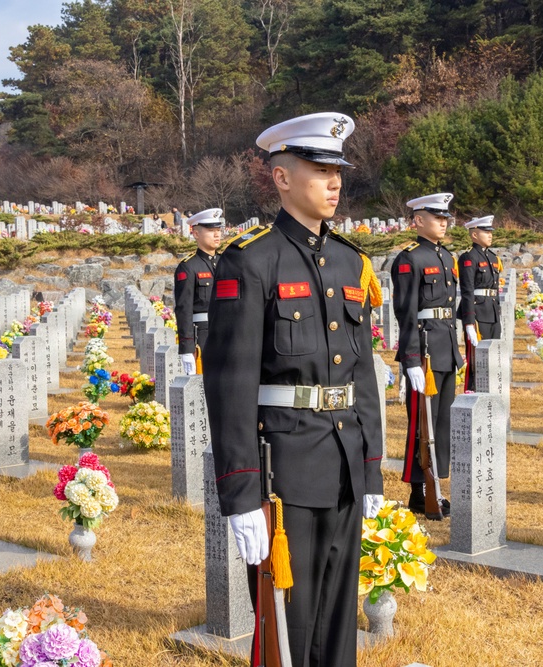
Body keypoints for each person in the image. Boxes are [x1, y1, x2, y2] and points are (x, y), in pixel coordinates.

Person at [202, 112, 384, 667]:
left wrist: (372, 467)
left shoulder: (352, 260)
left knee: (337, 615)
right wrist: (239, 495)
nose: (334, 182)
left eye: (338, 171)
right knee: (290, 622)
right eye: (318, 169)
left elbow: (362, 373)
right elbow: (229, 384)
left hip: (344, 459)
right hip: (285, 464)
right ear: (281, 178)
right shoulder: (250, 260)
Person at [390, 192, 462, 517]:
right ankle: (419, 491)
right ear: (418, 220)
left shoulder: (447, 257)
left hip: (446, 348)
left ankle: (438, 486)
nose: (444, 222)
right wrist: (410, 359)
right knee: (422, 426)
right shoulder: (409, 259)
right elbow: (405, 314)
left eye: (446, 217)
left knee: (442, 423)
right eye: (437, 217)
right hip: (425, 354)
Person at [173, 208, 224, 374]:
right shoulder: (188, 267)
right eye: (211, 231)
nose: (217, 235)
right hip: (203, 336)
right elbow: (183, 309)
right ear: (195, 233)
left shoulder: (228, 263)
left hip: (228, 335)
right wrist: (187, 348)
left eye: (218, 230)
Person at [457, 215, 502, 392]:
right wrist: (469, 321)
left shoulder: (492, 257)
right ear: (474, 235)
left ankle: (491, 390)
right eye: (485, 232)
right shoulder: (469, 257)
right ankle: (472, 391)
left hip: (492, 311)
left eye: (490, 231)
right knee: (476, 358)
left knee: (493, 354)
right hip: (477, 312)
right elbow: (467, 290)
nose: (490, 235)